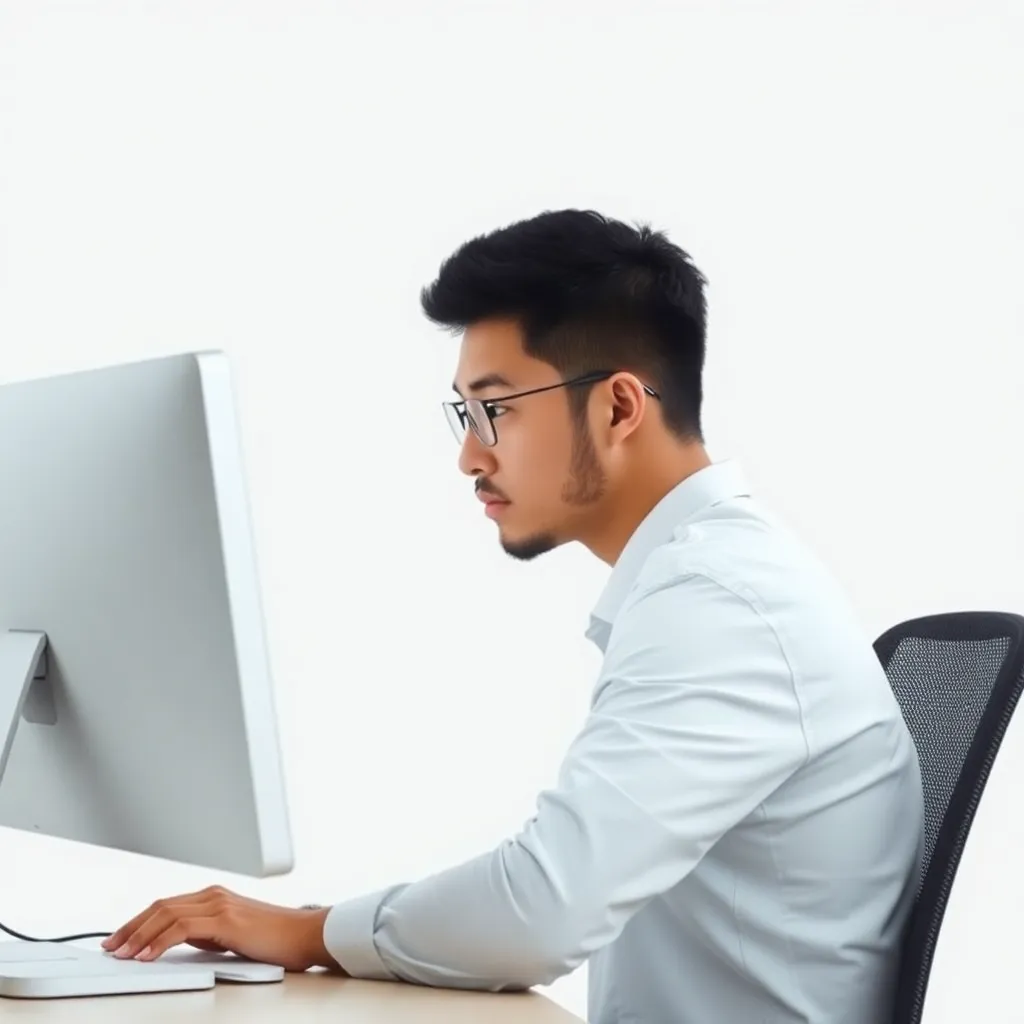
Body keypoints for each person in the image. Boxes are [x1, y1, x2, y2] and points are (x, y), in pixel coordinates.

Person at [103, 210, 925, 1023]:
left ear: (618, 408)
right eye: (464, 413)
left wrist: (312, 931)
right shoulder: (712, 579)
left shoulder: (722, 602)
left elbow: (544, 909)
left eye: (496, 409)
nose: (470, 454)